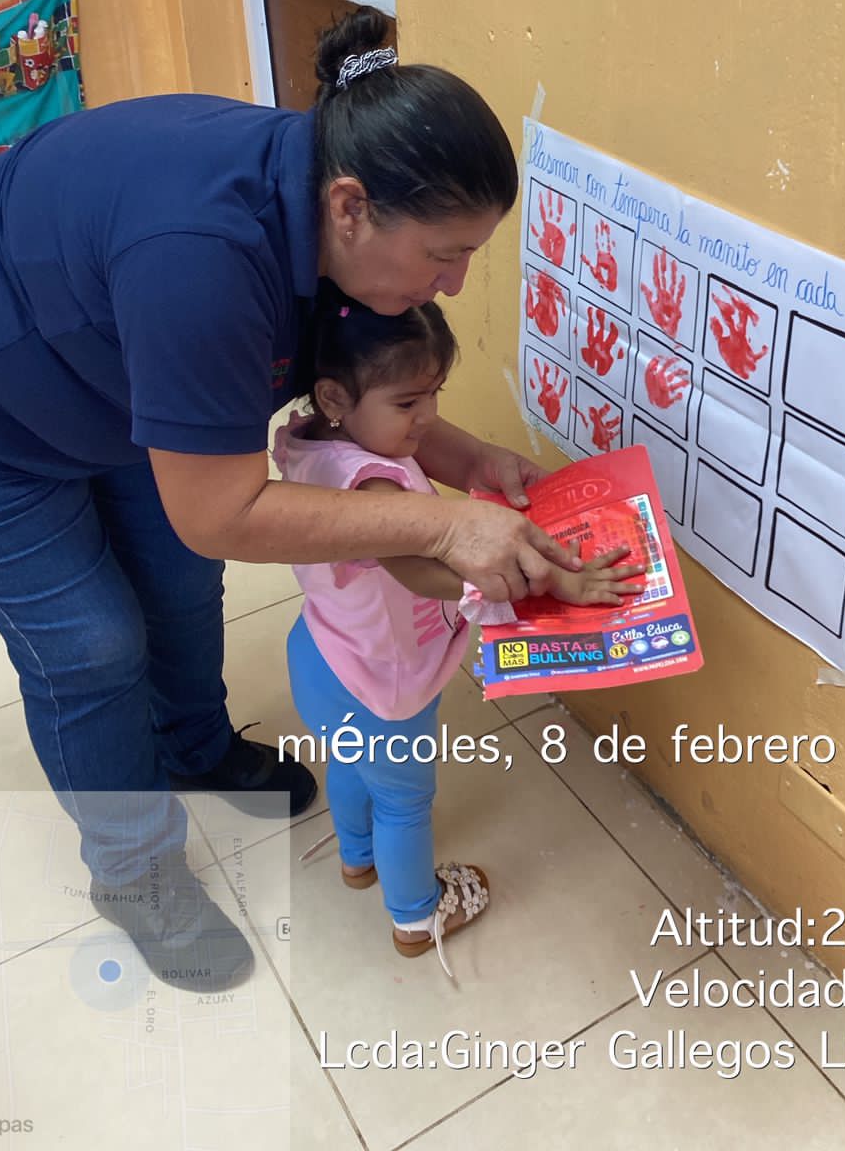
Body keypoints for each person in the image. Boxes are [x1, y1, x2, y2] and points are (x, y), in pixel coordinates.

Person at [0, 7, 578, 991]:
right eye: (443, 253)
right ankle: (134, 872)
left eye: (470, 254)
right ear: (352, 207)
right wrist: (448, 520)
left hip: (107, 369)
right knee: (92, 644)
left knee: (181, 584)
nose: (454, 282)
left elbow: (359, 392)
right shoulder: (202, 258)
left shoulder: (327, 206)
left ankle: (193, 746)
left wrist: (469, 457)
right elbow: (220, 513)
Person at [275, 289, 644, 975]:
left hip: (324, 653)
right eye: (408, 403)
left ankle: (357, 858)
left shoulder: (315, 442)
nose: (428, 418)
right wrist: (542, 580)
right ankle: (417, 915)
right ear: (333, 395)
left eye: (435, 394)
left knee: (351, 764)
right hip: (386, 685)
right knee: (405, 801)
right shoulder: (372, 486)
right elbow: (417, 568)